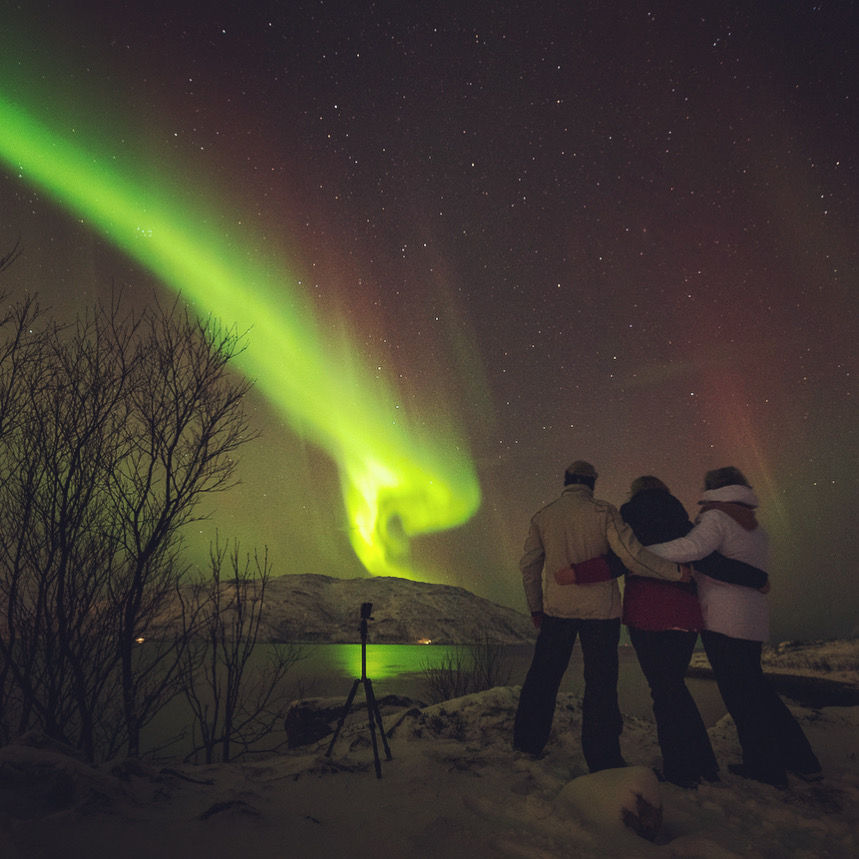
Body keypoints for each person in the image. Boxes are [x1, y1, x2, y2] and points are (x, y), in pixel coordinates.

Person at [647, 466, 821, 788]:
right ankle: (801, 759)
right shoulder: (752, 524)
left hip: (724, 618)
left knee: (742, 697)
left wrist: (641, 553)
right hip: (752, 618)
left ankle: (765, 766)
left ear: (713, 489)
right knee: (759, 692)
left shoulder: (716, 518)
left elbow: (691, 549)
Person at [512, 460, 690, 772]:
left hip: (557, 610)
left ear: (566, 481)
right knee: (601, 684)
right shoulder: (605, 512)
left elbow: (529, 568)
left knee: (543, 677)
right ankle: (602, 756)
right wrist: (675, 573)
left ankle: (527, 743)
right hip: (601, 614)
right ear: (592, 483)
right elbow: (633, 557)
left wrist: (535, 607)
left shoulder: (544, 517)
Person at [620, 475, 768, 789]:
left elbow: (619, 559)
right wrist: (755, 577)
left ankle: (681, 770)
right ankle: (703, 763)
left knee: (663, 691)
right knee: (673, 686)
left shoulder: (627, 520)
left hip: (646, 613)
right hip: (686, 615)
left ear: (634, 495)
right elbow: (712, 563)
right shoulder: (684, 524)